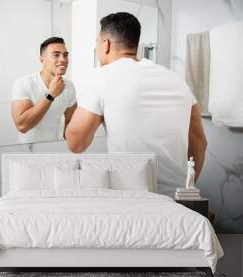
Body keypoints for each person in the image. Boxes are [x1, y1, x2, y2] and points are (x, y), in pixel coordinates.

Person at [65, 12, 207, 196]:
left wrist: (68, 110)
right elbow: (199, 142)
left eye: (97, 42)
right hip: (178, 201)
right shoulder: (177, 80)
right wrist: (184, 186)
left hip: (132, 200)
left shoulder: (102, 77)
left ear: (106, 44)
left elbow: (76, 143)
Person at [11, 37, 77, 144]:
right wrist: (51, 95)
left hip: (52, 150)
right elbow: (22, 126)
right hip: (27, 151)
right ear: (42, 61)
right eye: (56, 55)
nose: (63, 59)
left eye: (65, 55)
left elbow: (71, 119)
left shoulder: (69, 86)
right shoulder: (23, 83)